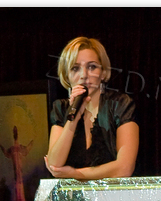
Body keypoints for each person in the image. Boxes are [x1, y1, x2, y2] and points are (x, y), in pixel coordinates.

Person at [45, 36, 139, 180]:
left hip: (113, 193)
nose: (84, 75)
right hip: (73, 195)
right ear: (67, 76)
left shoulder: (120, 104)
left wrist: (76, 175)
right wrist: (73, 118)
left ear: (103, 72)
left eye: (92, 67)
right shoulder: (61, 108)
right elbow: (54, 165)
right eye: (75, 68)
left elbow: (125, 167)